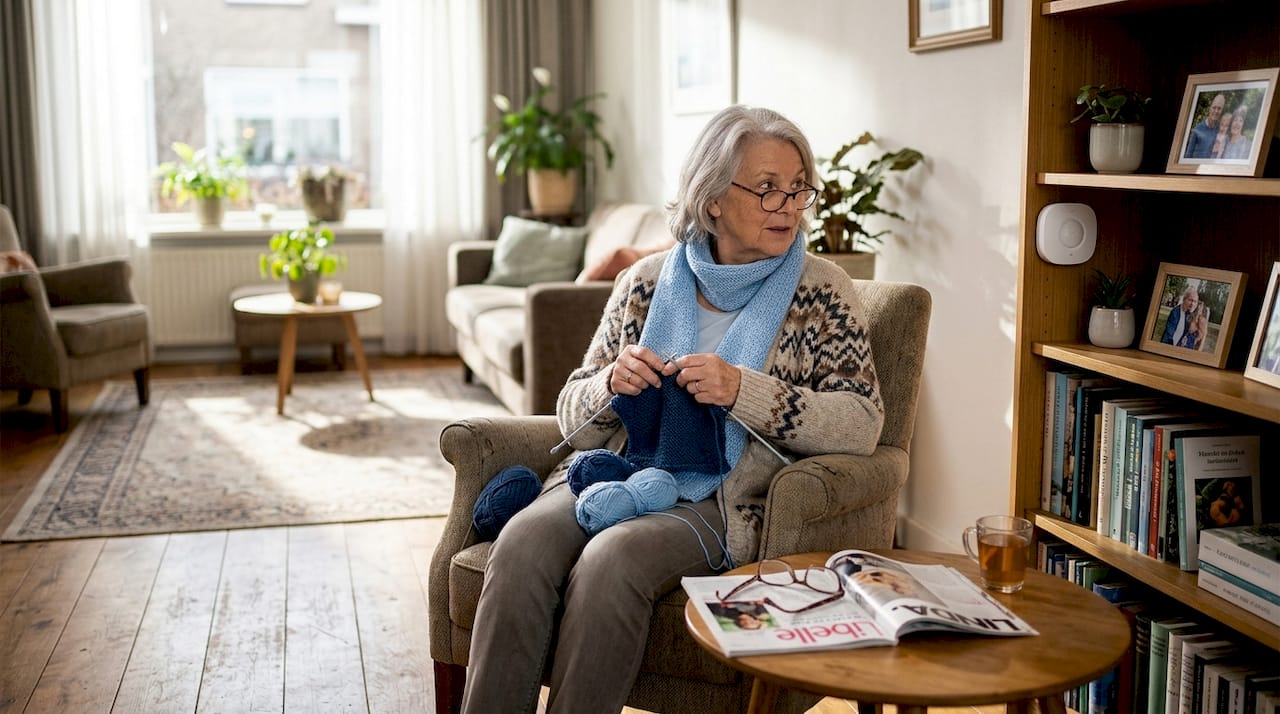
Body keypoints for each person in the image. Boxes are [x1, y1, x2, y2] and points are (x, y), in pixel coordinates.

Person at [460, 105, 886, 713]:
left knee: (614, 558)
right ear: (712, 198)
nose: (787, 206)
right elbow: (569, 410)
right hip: (611, 471)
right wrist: (610, 383)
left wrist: (744, 389)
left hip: (719, 498)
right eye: (766, 189)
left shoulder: (823, 292)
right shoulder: (643, 281)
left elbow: (861, 424)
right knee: (523, 540)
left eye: (797, 189)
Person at [1185, 93, 1225, 158]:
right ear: (1210, 108)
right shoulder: (1198, 128)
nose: (1216, 111)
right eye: (1214, 107)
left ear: (1222, 111)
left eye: (1219, 108)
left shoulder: (1219, 131)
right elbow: (1188, 154)